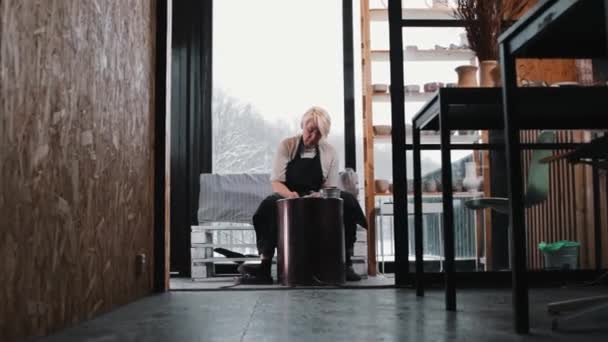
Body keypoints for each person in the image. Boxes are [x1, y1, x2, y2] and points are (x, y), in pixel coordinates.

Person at [238, 106, 368, 284]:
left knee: (346, 200)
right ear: (302, 126)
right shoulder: (287, 145)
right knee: (268, 205)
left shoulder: (330, 152)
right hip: (288, 194)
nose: (313, 137)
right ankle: (265, 265)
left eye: (319, 134)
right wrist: (291, 195)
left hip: (317, 197)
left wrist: (319, 195)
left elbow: (329, 186)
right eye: (310, 130)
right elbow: (277, 182)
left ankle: (345, 263)